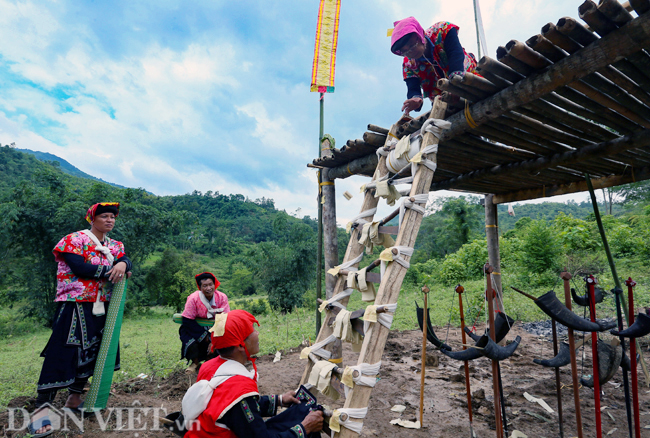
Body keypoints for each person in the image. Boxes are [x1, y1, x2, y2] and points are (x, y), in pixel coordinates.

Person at [29, 202, 133, 437]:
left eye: (112, 217)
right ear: (91, 219)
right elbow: (79, 267)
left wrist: (123, 262)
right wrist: (114, 269)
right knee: (63, 351)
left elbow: (126, 260)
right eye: (104, 216)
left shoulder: (115, 245)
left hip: (103, 304)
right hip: (74, 304)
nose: (110, 220)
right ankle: (41, 408)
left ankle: (74, 397)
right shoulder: (74, 240)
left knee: (97, 349)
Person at [182, 309, 324, 438]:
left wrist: (280, 400)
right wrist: (305, 428)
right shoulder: (239, 388)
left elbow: (236, 409)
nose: (257, 333)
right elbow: (240, 405)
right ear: (239, 345)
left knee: (295, 417)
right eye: (252, 331)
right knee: (306, 428)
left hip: (204, 432)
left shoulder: (208, 367)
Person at [390, 16, 478, 115]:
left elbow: (456, 54)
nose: (410, 52)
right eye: (405, 51)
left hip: (471, 81)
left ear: (419, 35)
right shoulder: (408, 64)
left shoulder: (442, 30)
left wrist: (455, 85)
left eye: (412, 45)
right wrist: (416, 98)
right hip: (445, 101)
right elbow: (412, 86)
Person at [180, 272, 230, 373]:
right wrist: (204, 336)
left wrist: (213, 339)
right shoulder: (193, 299)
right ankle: (195, 362)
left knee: (218, 343)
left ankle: (209, 362)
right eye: (205, 286)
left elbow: (223, 319)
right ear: (200, 287)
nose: (208, 288)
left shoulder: (222, 297)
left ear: (214, 285)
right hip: (194, 327)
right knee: (191, 342)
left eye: (211, 285)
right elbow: (187, 320)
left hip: (215, 327)